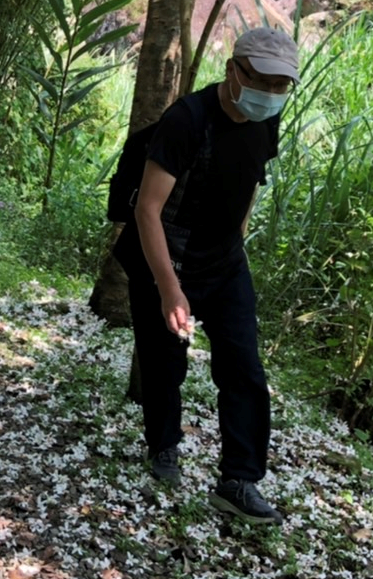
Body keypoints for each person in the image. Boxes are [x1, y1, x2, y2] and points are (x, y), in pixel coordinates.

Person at [112, 27, 299, 525]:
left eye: (283, 86)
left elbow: (252, 179)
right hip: (166, 256)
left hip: (225, 261)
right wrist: (170, 289)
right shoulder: (187, 120)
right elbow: (147, 210)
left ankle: (239, 481)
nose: (272, 94)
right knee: (164, 360)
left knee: (244, 369)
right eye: (263, 82)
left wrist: (235, 239)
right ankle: (164, 447)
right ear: (234, 71)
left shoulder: (268, 119)